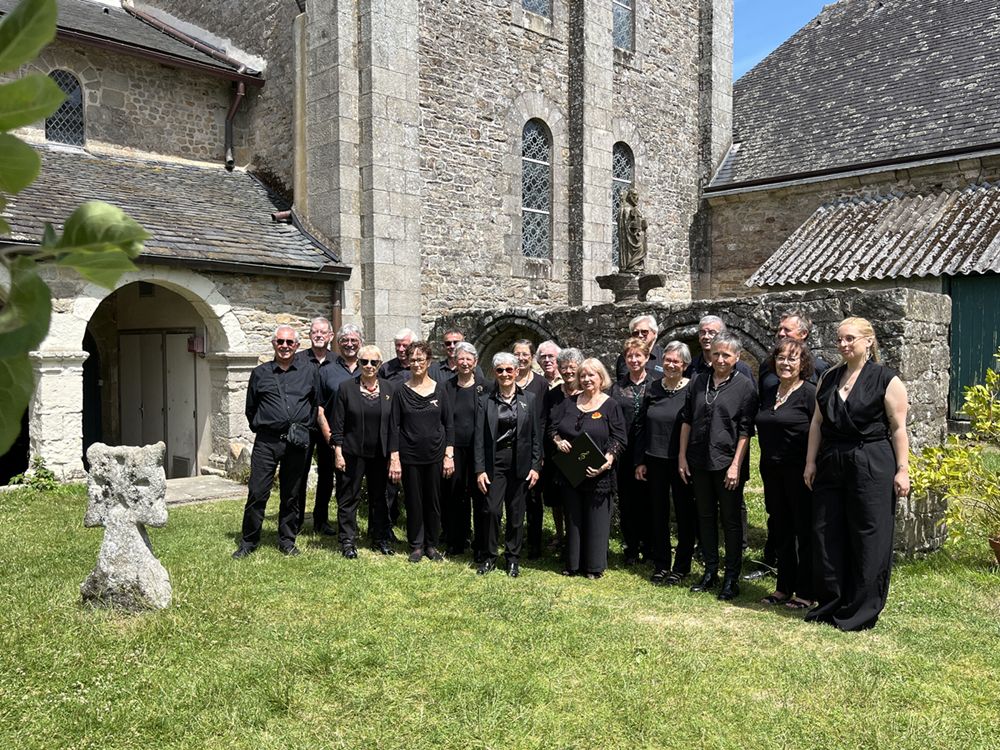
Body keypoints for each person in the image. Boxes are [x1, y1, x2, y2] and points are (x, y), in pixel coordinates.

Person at [804, 317, 909, 631]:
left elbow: (899, 428)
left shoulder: (887, 380)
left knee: (869, 534)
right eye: (839, 339)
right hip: (832, 459)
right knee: (826, 532)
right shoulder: (829, 377)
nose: (843, 344)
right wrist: (810, 462)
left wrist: (902, 470)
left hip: (872, 460)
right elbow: (817, 423)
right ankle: (831, 603)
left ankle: (860, 611)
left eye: (850, 338)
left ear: (868, 341)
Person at [679, 331, 759, 600]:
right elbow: (687, 419)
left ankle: (732, 578)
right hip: (699, 461)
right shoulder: (699, 381)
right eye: (716, 354)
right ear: (709, 356)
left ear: (737, 357)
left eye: (727, 354)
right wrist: (682, 457)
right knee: (705, 517)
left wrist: (736, 465)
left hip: (727, 463)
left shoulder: (745, 386)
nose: (721, 358)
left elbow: (746, 430)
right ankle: (711, 572)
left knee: (731, 520)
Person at [233, 325, 320, 559]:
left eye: (289, 342)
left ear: (297, 346)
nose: (284, 346)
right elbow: (250, 408)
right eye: (280, 341)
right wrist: (266, 426)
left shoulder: (309, 372)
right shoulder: (260, 373)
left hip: (297, 443)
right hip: (267, 443)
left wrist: (306, 429)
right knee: (258, 493)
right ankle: (249, 542)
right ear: (273, 344)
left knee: (291, 494)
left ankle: (287, 541)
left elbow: (315, 404)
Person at [549, 358, 627, 579]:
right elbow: (553, 429)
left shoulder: (610, 405)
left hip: (598, 472)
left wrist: (608, 461)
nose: (586, 379)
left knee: (596, 520)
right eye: (582, 376)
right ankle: (572, 564)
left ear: (601, 378)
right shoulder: (569, 403)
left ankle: (593, 566)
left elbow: (619, 438)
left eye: (591, 375)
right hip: (571, 471)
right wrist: (558, 441)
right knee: (572, 517)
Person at [755, 339, 817, 610]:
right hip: (771, 470)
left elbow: (822, 433)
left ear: (803, 364)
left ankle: (805, 592)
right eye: (781, 358)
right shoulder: (770, 391)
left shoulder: (810, 394)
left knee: (804, 531)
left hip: (800, 472)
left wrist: (812, 464)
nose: (786, 363)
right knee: (780, 528)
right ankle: (783, 587)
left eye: (793, 358)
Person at [473, 352, 542, 577]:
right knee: (492, 511)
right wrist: (480, 469)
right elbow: (479, 438)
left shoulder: (529, 399)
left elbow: (535, 435)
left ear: (517, 371)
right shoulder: (485, 401)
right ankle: (489, 556)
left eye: (509, 370)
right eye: (500, 370)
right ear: (494, 373)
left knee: (516, 513)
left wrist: (535, 466)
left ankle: (512, 558)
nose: (505, 374)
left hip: (521, 462)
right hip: (496, 462)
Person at [388, 341, 455, 563]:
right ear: (408, 362)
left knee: (433, 501)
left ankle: (431, 545)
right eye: (413, 360)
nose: (416, 364)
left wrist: (448, 455)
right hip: (410, 456)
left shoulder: (441, 389)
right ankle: (416, 545)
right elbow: (394, 426)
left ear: (429, 362)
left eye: (421, 359)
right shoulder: (400, 391)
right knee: (414, 501)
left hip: (435, 455)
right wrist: (395, 458)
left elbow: (449, 425)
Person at [326, 345, 396, 557]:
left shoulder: (390, 389)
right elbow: (338, 424)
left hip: (380, 454)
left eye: (373, 362)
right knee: (349, 497)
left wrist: (394, 456)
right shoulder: (346, 388)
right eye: (364, 361)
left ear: (380, 365)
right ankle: (347, 540)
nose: (368, 366)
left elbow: (395, 426)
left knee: (379, 497)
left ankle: (379, 537)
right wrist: (338, 452)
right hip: (352, 453)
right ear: (358, 363)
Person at [635, 341, 696, 586]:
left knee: (684, 513)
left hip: (682, 462)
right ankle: (661, 564)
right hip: (654, 458)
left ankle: (681, 566)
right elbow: (640, 426)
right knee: (658, 513)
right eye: (667, 360)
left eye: (676, 361)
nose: (670, 365)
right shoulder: (652, 388)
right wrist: (640, 460)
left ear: (685, 365)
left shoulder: (693, 389)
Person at [312, 323, 363, 536]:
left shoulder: (369, 368)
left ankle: (351, 523)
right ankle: (321, 521)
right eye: (345, 341)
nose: (349, 344)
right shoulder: (327, 372)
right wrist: (331, 438)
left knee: (352, 484)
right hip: (332, 437)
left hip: (361, 438)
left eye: (353, 340)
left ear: (360, 343)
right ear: (338, 344)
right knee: (326, 479)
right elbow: (319, 407)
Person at [607, 338, 654, 565]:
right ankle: (631, 548)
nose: (634, 360)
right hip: (624, 454)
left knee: (650, 501)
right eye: (629, 356)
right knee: (627, 502)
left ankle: (650, 547)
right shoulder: (616, 389)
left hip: (650, 452)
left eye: (638, 356)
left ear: (646, 358)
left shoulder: (657, 385)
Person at [442, 341, 486, 557]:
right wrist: (447, 453)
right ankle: (456, 541)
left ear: (476, 362)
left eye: (469, 359)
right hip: (454, 450)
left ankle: (480, 544)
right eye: (461, 359)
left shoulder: (486, 387)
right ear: (455, 361)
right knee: (455, 496)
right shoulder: (446, 387)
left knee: (479, 497)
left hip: (479, 451)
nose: (465, 363)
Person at [294, 317, 337, 535]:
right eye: (314, 332)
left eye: (323, 332)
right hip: (304, 425)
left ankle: (321, 519)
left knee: (327, 474)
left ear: (330, 336)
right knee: (299, 472)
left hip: (328, 426)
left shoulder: (337, 361)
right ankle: (297, 519)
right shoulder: (298, 359)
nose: (318, 335)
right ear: (309, 336)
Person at [540, 348, 584, 553]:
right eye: (564, 367)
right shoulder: (552, 395)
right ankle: (559, 534)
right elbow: (547, 424)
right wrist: (555, 441)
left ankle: (578, 538)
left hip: (581, 454)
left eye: (572, 367)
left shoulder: (587, 391)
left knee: (576, 498)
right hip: (555, 454)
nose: (567, 371)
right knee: (556, 497)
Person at [513, 339, 549, 558]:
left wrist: (540, 453)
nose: (521, 357)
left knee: (534, 499)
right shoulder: (506, 378)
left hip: (533, 450)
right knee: (514, 499)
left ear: (532, 357)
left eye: (525, 354)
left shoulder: (541, 384)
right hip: (510, 450)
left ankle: (535, 544)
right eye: (517, 353)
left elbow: (543, 420)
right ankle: (514, 540)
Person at [758, 310, 830, 392]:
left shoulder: (819, 368)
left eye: (787, 330)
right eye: (780, 329)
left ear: (803, 333)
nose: (781, 333)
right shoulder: (767, 365)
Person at [685, 315, 757, 388]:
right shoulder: (691, 366)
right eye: (702, 332)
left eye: (711, 332)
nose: (706, 336)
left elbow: (752, 395)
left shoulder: (740, 368)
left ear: (722, 335)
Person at [615, 314, 665, 381]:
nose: (640, 335)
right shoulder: (624, 358)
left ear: (654, 333)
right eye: (636, 333)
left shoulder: (664, 356)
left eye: (644, 332)